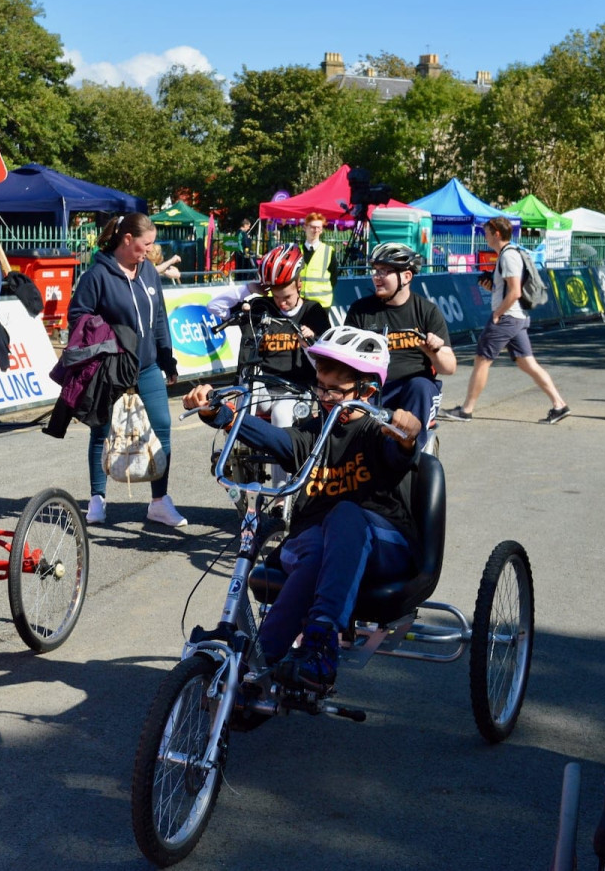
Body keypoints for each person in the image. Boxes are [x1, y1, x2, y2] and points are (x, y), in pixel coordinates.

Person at [181, 326, 421, 694]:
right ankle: (255, 670)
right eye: (320, 387)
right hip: (319, 545)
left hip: (383, 546)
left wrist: (407, 435)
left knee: (344, 514)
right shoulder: (313, 433)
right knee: (315, 550)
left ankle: (321, 643)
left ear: (367, 391)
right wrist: (221, 414)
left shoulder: (379, 432)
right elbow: (276, 439)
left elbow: (400, 451)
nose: (323, 397)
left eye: (334, 390)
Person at [69, 212, 187, 529]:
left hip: (147, 367)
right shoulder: (97, 275)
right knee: (102, 431)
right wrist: (109, 338)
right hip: (110, 369)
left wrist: (167, 358)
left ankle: (159, 502)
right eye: (145, 244)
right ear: (127, 239)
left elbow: (159, 317)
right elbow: (77, 317)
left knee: (161, 427)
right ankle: (97, 499)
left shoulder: (147, 271)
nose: (150, 250)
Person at [441, 217, 570, 425]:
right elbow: (508, 289)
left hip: (507, 317)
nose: (485, 237)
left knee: (482, 359)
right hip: (516, 317)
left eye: (487, 233)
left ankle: (466, 410)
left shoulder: (508, 256)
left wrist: (497, 314)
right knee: (527, 363)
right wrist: (492, 288)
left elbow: (515, 291)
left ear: (497, 234)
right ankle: (559, 405)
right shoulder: (508, 254)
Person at [343, 242, 455, 451]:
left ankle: (407, 454)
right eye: (375, 270)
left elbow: (449, 367)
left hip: (412, 389)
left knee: (420, 386)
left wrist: (435, 352)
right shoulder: (360, 311)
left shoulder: (427, 311)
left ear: (406, 276)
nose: (376, 277)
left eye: (384, 271)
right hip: (372, 388)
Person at [206, 243, 331, 421]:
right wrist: (249, 289)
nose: (282, 303)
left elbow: (325, 364)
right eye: (276, 297)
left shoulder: (312, 311)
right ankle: (239, 436)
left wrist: (308, 345)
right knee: (246, 394)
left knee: (281, 414)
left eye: (287, 297)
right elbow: (214, 307)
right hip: (263, 388)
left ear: (299, 285)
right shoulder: (261, 307)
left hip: (297, 389)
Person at [299, 212, 339, 309]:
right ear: (305, 228)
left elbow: (334, 277)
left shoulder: (328, 251)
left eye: (319, 228)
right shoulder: (297, 250)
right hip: (300, 301)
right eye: (313, 227)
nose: (316, 230)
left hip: (322, 303)